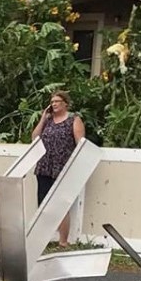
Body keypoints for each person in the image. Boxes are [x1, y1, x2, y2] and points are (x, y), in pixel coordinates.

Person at [31, 91, 85, 248]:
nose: (53, 104)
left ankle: (63, 240)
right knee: (43, 204)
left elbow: (80, 144)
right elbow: (35, 137)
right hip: (45, 166)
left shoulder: (73, 120)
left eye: (57, 101)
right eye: (52, 101)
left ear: (65, 103)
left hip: (63, 167)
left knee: (61, 204)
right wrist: (42, 118)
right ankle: (42, 239)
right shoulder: (48, 121)